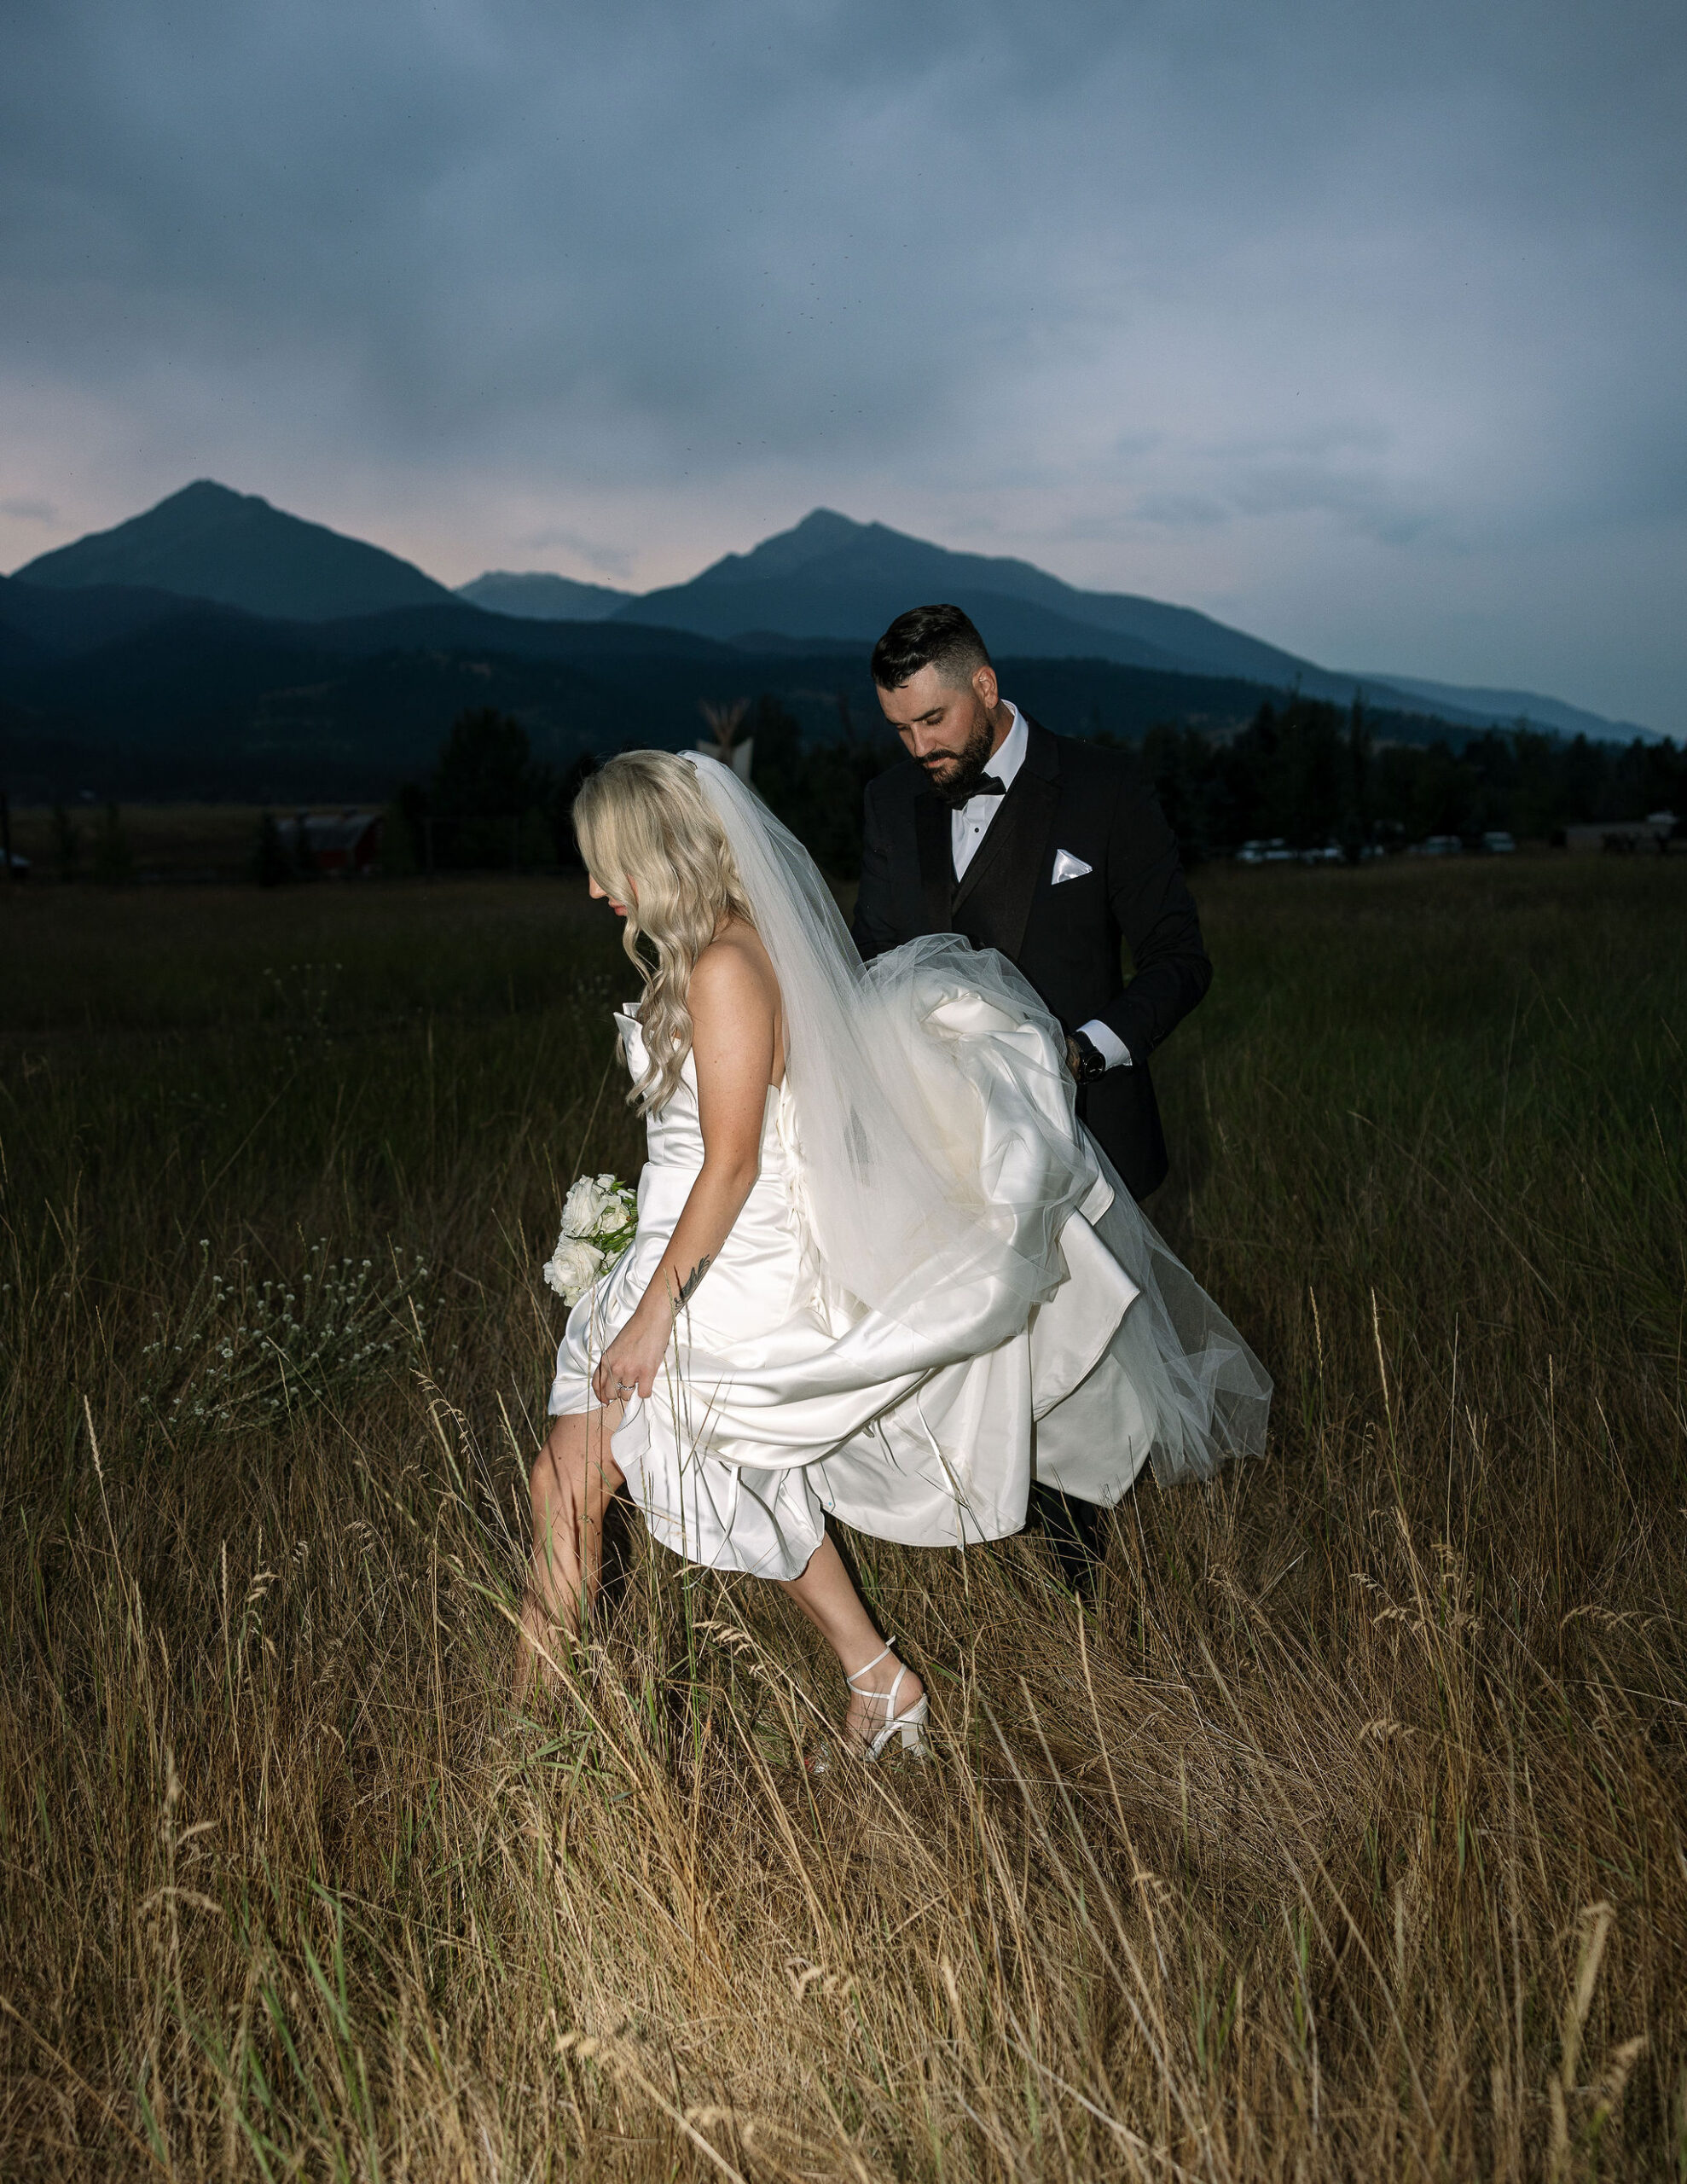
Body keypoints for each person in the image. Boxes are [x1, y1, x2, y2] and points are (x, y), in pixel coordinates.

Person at [521, 750, 1268, 1757]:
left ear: (660, 852)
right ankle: (858, 1682)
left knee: (670, 1470)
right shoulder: (700, 956)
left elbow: (733, 1164)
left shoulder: (729, 968)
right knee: (571, 1487)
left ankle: (548, 1735)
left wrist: (657, 1310)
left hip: (725, 1259)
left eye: (608, 862)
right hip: (673, 1246)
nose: (596, 887)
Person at [852, 603, 1212, 1585]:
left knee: (1077, 1375)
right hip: (942, 1153)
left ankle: (1093, 1596)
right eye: (898, 728)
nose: (916, 746)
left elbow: (1181, 961)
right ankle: (1013, 1567)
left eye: (931, 721)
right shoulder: (890, 803)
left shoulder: (1102, 788)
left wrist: (1084, 1052)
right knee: (978, 1366)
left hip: (1082, 1140)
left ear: (984, 688)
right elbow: (874, 967)